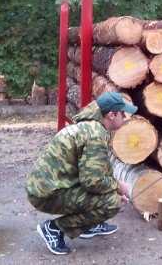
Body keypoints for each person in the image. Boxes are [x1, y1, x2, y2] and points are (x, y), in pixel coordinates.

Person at [26, 92, 136, 255]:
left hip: (50, 187)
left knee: (108, 193)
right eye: (123, 113)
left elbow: (99, 169)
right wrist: (118, 186)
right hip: (47, 194)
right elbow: (92, 181)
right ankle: (54, 229)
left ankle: (88, 225)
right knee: (111, 203)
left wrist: (114, 186)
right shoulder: (95, 135)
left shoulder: (91, 126)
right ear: (112, 115)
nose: (126, 117)